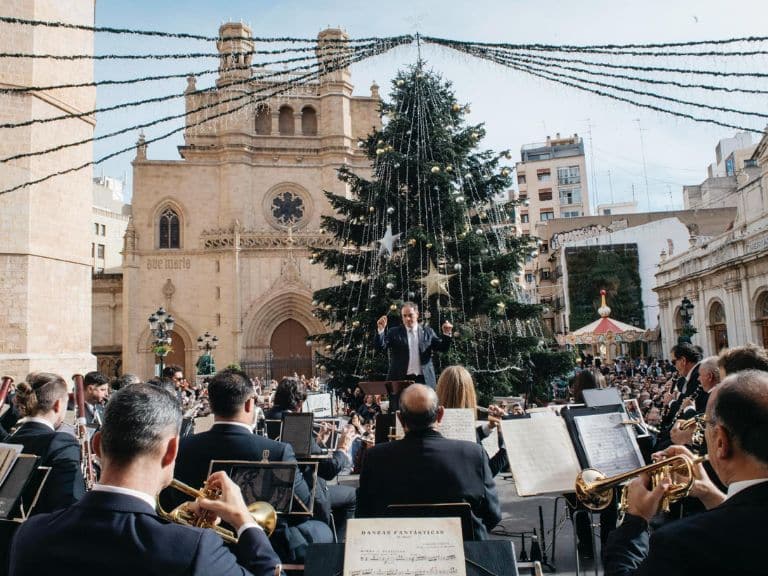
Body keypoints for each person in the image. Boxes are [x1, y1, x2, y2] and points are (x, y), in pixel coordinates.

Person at [10, 383, 281, 576]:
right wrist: (245, 522)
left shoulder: (31, 535)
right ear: (172, 450)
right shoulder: (195, 549)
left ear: (97, 445)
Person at [605, 370, 768, 576]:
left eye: (706, 425)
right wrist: (712, 495)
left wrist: (634, 522)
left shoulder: (683, 542)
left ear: (720, 441)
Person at [169, 369, 333, 562]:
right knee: (322, 529)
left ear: (212, 406)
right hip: (265, 546)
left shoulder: (183, 445)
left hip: (195, 543)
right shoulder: (278, 450)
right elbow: (304, 508)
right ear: (249, 404)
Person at [357, 384, 501, 540]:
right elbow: (493, 515)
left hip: (396, 554)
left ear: (399, 418)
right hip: (465, 554)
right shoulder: (473, 454)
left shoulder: (375, 457)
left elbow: (364, 515)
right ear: (440, 414)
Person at [265, 377, 356, 541]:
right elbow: (329, 470)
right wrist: (343, 447)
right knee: (352, 496)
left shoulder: (268, 417)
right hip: (305, 494)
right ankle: (340, 545)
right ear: (299, 403)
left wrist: (318, 441)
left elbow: (295, 452)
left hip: (277, 492)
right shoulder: (296, 423)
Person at [7, 372, 85, 514]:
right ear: (58, 405)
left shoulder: (9, 440)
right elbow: (70, 502)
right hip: (41, 532)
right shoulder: (61, 442)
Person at [435, 365, 508, 476]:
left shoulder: (434, 423)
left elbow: (466, 435)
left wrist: (489, 427)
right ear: (468, 393)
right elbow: (488, 472)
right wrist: (507, 445)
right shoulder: (464, 432)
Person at [375, 302, 453, 390]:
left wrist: (446, 334)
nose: (407, 318)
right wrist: (381, 330)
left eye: (410, 315)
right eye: (404, 316)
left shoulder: (428, 332)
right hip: (400, 380)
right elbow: (380, 347)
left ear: (417, 314)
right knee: (398, 404)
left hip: (424, 381)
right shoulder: (394, 332)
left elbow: (443, 348)